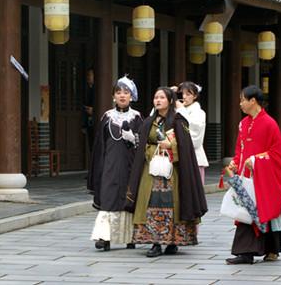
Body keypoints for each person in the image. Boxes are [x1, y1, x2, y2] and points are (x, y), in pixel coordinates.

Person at [125, 86, 208, 258]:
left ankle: (172, 241)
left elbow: (186, 146)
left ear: (170, 101)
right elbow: (142, 146)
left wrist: (171, 147)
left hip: (172, 172)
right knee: (151, 203)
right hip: (152, 170)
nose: (158, 101)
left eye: (162, 98)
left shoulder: (178, 121)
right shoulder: (148, 122)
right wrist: (151, 150)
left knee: (172, 203)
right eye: (156, 97)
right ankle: (155, 243)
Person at [225, 85, 281, 265]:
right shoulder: (243, 124)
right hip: (247, 176)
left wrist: (256, 160)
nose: (240, 103)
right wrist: (235, 162)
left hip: (264, 176)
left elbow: (277, 153)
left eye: (242, 100)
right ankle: (246, 253)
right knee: (246, 212)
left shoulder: (270, 124)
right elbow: (239, 150)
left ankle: (271, 249)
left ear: (253, 101)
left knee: (267, 209)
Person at [87, 76, 143, 251]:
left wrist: (133, 138)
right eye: (118, 92)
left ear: (132, 96)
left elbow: (143, 144)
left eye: (126, 92)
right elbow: (99, 145)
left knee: (127, 199)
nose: (122, 96)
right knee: (108, 198)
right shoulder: (107, 117)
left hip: (129, 165)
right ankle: (104, 237)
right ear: (113, 96)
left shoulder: (137, 118)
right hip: (109, 165)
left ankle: (130, 236)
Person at [175, 82, 209, 184]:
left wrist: (181, 110)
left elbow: (196, 134)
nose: (184, 97)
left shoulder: (199, 113)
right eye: (182, 94)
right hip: (178, 157)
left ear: (195, 96)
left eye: (188, 94)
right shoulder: (177, 110)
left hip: (194, 158)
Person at [82, 68, 95, 151]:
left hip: (95, 120)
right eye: (87, 75)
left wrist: (93, 110)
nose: (88, 77)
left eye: (90, 75)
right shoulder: (87, 89)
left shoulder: (97, 89)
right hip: (89, 121)